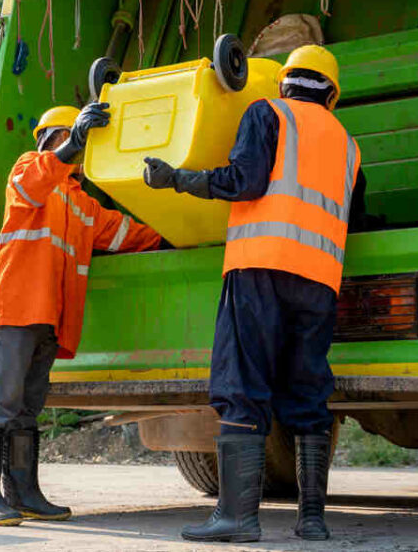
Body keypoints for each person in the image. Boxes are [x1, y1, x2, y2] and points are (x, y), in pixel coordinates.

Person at [143, 45, 366, 542]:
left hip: (260, 267)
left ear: (285, 82)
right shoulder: (349, 146)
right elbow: (356, 217)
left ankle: (238, 518)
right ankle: (312, 520)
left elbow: (243, 181)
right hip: (319, 281)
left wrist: (177, 178)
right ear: (331, 94)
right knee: (308, 390)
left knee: (242, 384)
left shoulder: (268, 113)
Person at [0, 102, 163, 526]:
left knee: (26, 407)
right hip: (17, 306)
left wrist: (173, 233)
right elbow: (32, 185)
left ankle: (23, 493)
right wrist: (72, 142)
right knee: (1, 402)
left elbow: (125, 233)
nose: (81, 149)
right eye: (74, 138)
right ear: (54, 138)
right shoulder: (29, 168)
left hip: (48, 316)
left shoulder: (81, 203)